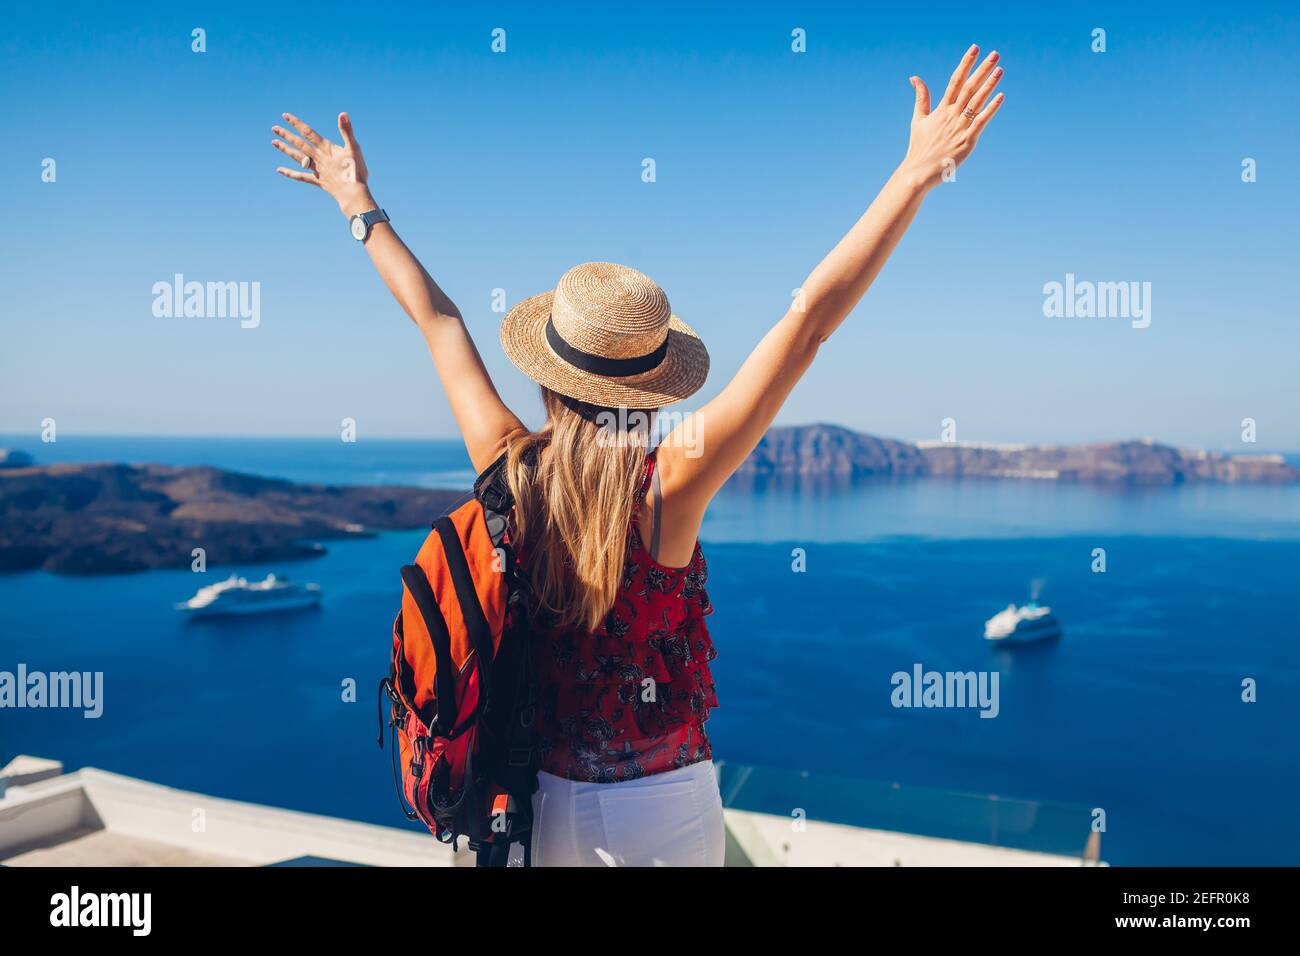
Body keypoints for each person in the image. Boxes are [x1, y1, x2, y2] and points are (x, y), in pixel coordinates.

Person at [271, 44, 1005, 866]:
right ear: (655, 388)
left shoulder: (511, 469)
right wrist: (915, 175)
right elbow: (807, 324)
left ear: (550, 377)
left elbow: (439, 321)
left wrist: (357, 201)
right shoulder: (672, 482)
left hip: (541, 808)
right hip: (664, 811)